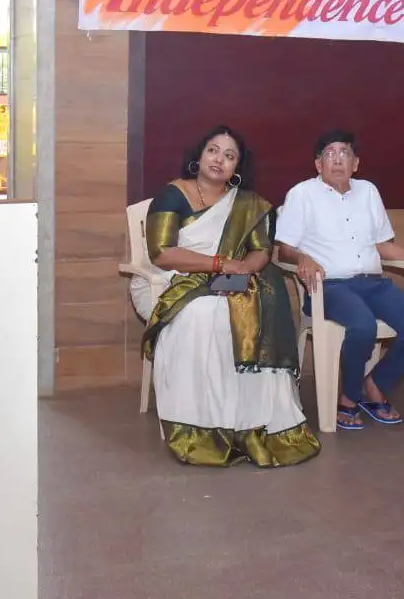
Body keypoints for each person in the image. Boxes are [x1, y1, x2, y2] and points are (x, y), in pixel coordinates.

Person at [133, 125, 320, 468]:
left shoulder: (248, 203)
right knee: (205, 315)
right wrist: (220, 264)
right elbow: (161, 253)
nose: (220, 159)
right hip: (175, 278)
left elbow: (261, 251)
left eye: (229, 155)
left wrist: (243, 270)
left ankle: (254, 420)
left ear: (237, 168)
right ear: (199, 156)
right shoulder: (173, 195)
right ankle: (204, 426)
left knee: (261, 306)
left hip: (232, 279)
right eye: (213, 151)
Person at [275, 130, 404, 431]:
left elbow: (382, 246)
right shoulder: (301, 194)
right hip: (329, 286)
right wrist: (302, 258)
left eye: (344, 153)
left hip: (372, 283)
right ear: (318, 164)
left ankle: (374, 383)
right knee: (363, 325)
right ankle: (348, 399)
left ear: (356, 163)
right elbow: (284, 248)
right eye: (329, 154)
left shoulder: (368, 192)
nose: (337, 159)